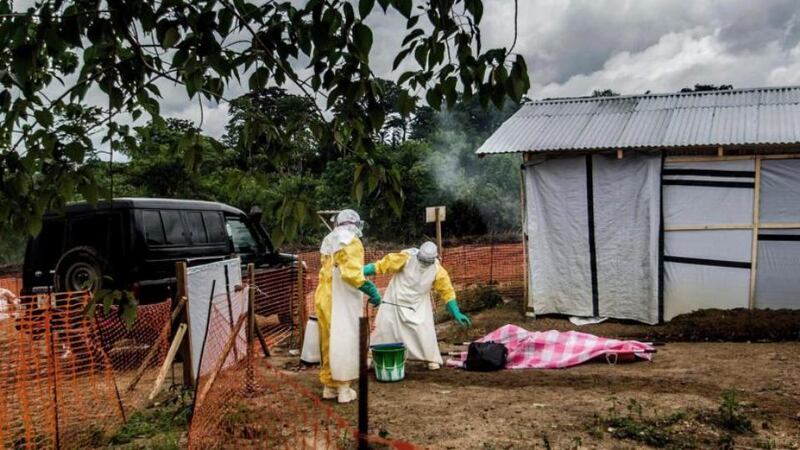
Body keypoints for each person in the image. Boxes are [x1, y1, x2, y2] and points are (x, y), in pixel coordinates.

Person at [365, 241, 471, 370]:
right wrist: (361, 271)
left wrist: (456, 312)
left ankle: (430, 358)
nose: (423, 264)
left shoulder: (438, 271)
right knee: (384, 328)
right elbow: (382, 265)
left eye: (427, 262)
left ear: (434, 259)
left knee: (423, 331)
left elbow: (447, 291)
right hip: (395, 299)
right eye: (422, 260)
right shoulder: (405, 258)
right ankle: (371, 357)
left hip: (418, 304)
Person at [315, 209, 381, 403]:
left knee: (328, 340)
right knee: (345, 339)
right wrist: (371, 289)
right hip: (341, 297)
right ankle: (344, 388)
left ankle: (329, 386)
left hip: (324, 297)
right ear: (356, 224)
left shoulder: (330, 239)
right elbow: (351, 274)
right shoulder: (351, 241)